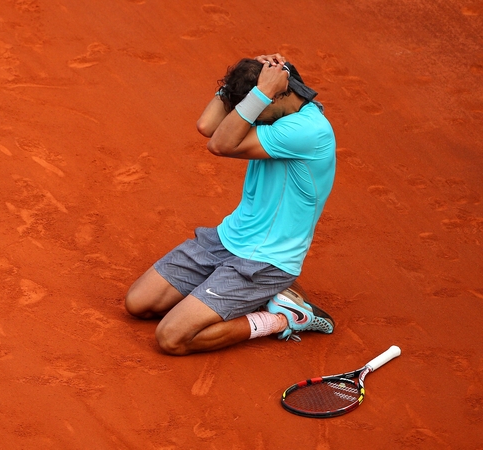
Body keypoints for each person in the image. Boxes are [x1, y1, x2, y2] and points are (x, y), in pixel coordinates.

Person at [124, 53, 337, 355]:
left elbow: (219, 143)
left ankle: (285, 317)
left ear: (278, 94)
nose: (249, 115)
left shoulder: (309, 131)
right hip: (228, 239)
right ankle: (261, 296)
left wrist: (262, 90)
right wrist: (245, 78)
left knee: (172, 337)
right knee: (138, 303)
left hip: (265, 261)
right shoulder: (276, 112)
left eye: (256, 104)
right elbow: (206, 125)